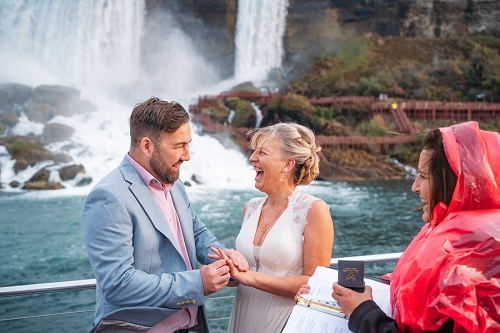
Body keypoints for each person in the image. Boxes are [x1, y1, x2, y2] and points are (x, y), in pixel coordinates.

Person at [298, 121, 500, 333]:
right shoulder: (466, 235)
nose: (414, 187)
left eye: (423, 176)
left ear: (454, 182)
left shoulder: (466, 253)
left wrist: (362, 311)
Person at [81, 97, 249, 333]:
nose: (187, 155)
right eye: (179, 146)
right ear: (147, 146)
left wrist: (222, 259)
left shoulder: (175, 184)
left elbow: (197, 232)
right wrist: (197, 283)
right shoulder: (108, 197)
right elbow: (117, 284)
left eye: (188, 144)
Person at [212, 123, 334, 333]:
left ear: (287, 164)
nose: (252, 158)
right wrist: (225, 272)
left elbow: (315, 284)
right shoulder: (250, 208)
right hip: (244, 317)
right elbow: (244, 274)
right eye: (254, 151)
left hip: (283, 321)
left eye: (263, 152)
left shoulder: (314, 209)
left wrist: (250, 278)